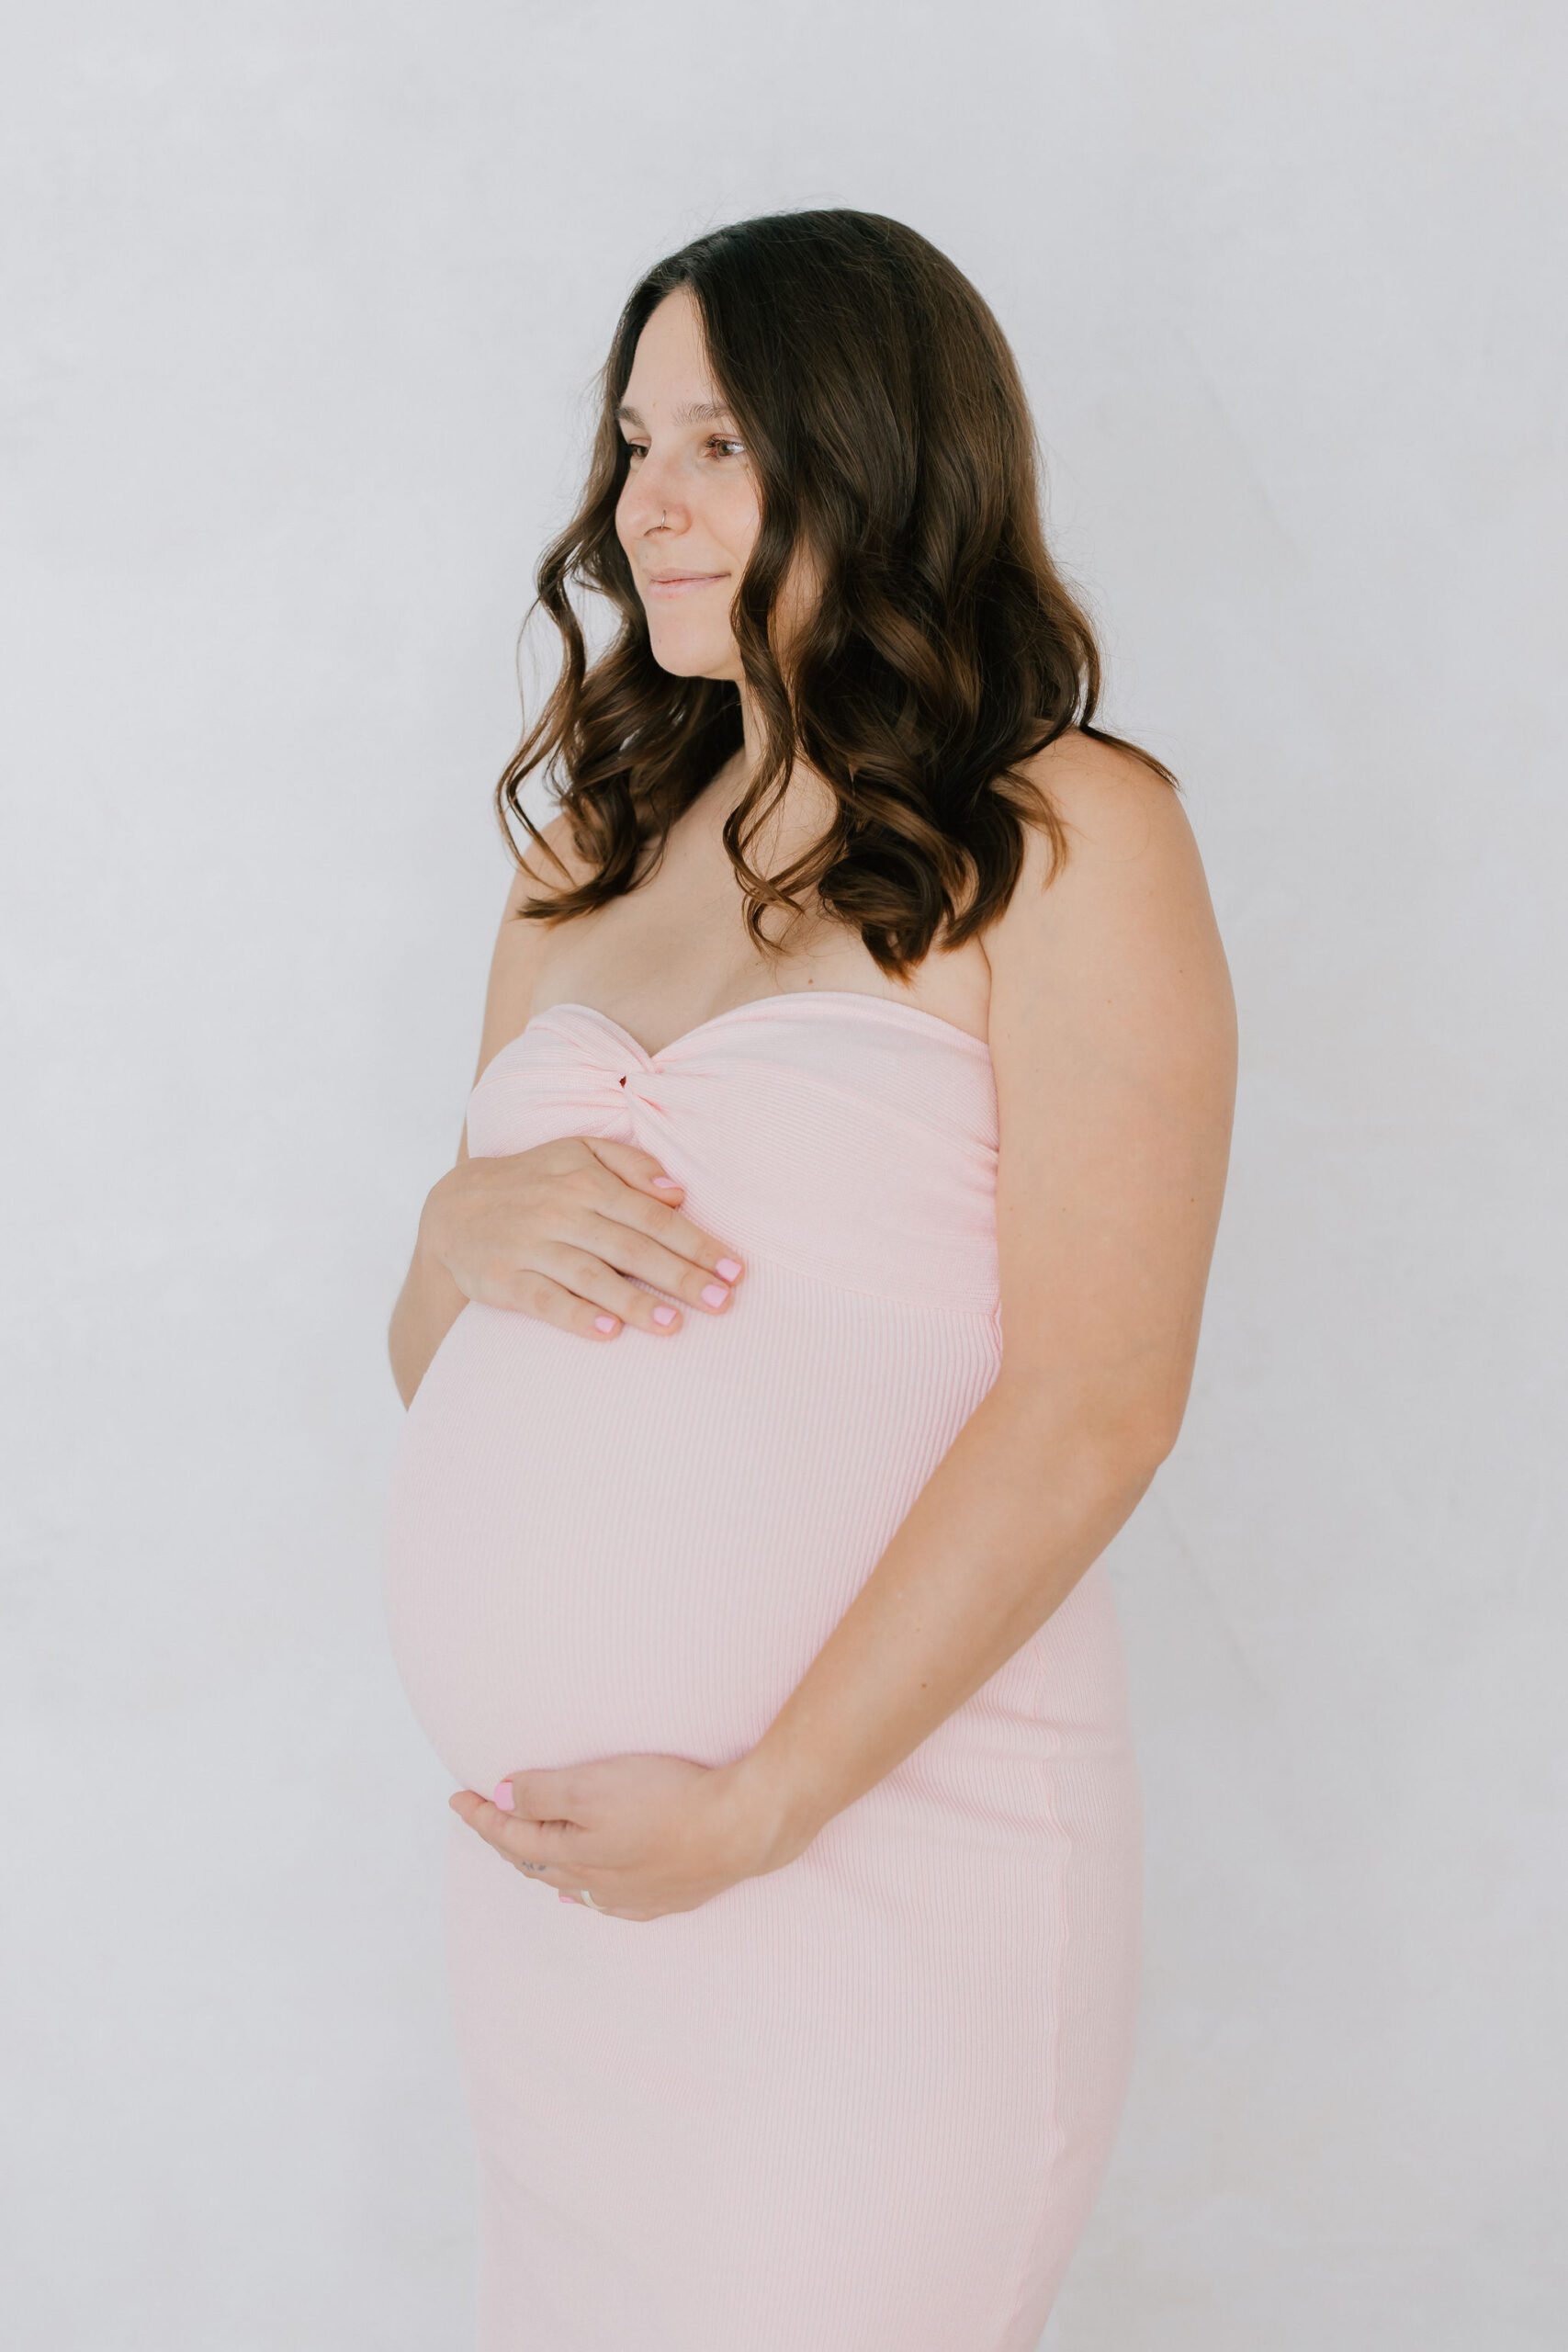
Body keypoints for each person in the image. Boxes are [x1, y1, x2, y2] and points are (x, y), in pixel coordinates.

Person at [383, 208, 1235, 2352]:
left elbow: (1096, 1399)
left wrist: (764, 1798)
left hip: (882, 1837)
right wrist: (441, 1231)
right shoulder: (582, 847)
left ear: (873, 455)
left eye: (716, 444)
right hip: (577, 1908)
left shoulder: (1057, 831)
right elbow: (451, 1359)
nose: (640, 503)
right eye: (630, 440)